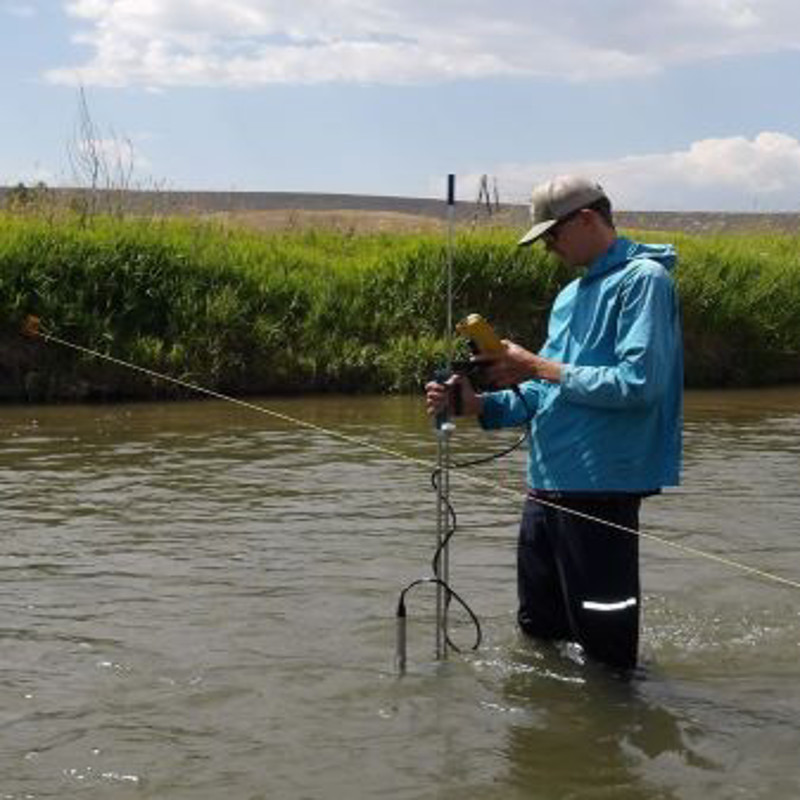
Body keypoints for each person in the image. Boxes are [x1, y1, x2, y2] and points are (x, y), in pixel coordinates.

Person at [425, 175, 683, 673]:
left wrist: (536, 364)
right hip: (545, 488)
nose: (548, 248)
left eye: (551, 235)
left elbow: (639, 384)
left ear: (586, 219)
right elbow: (545, 392)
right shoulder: (569, 298)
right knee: (538, 629)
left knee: (606, 651)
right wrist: (478, 406)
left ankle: (608, 736)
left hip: (603, 487)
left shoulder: (644, 280)